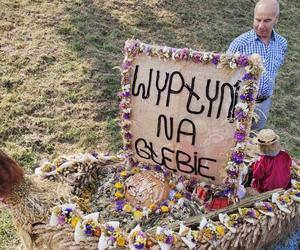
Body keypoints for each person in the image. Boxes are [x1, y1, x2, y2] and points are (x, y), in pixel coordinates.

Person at [228, 0, 288, 131]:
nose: (261, 25)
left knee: (254, 143)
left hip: (264, 104)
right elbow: (225, 74)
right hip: (240, 104)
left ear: (276, 20)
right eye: (257, 20)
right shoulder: (240, 43)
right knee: (234, 143)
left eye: (267, 21)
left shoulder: (282, 44)